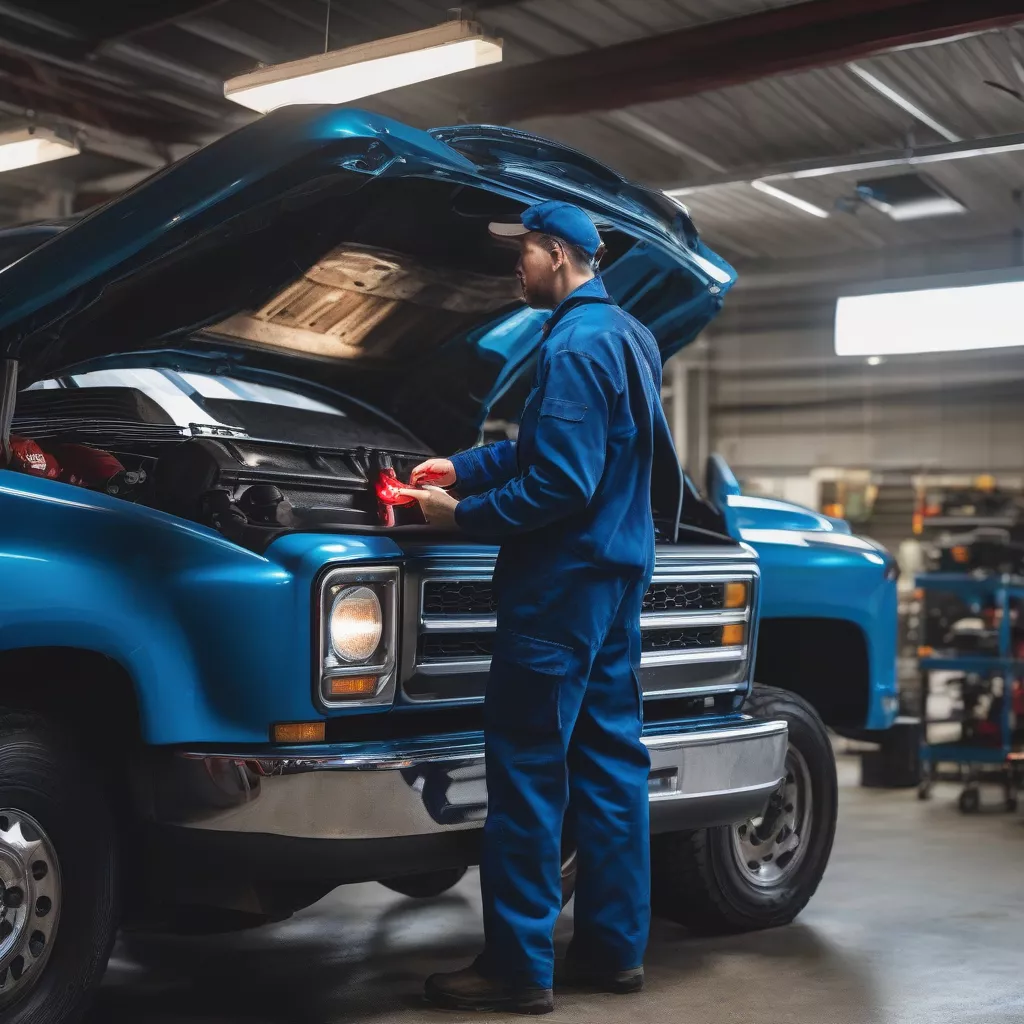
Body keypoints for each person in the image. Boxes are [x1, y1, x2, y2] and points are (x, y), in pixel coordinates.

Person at [399, 200, 682, 1016]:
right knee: (610, 769)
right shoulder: (628, 335)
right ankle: (613, 952)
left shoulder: (571, 344)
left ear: (557, 254)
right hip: (617, 578)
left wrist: (464, 519)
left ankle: (517, 969)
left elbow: (561, 481)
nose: (513, 267)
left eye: (521, 252)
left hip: (559, 586)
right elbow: (548, 451)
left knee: (527, 772)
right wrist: (460, 466)